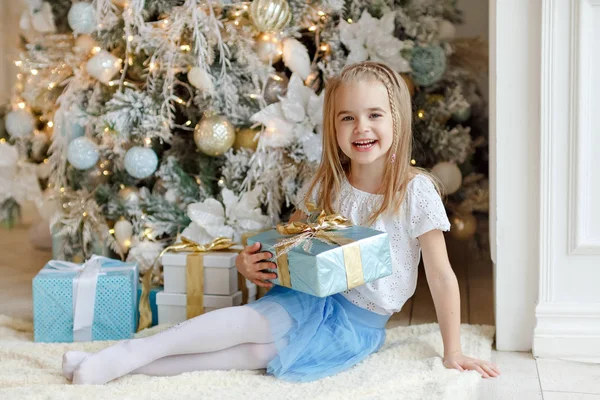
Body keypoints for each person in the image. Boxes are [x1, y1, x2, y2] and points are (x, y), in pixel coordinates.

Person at [62, 61, 499, 385]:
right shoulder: (329, 183)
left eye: (374, 115)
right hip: (306, 299)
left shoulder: (413, 190)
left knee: (253, 354)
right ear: (334, 126)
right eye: (347, 117)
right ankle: (126, 355)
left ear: (397, 121)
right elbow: (289, 244)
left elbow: (441, 276)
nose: (361, 127)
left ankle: (113, 365)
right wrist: (249, 264)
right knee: (254, 324)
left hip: (357, 326)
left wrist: (453, 350)